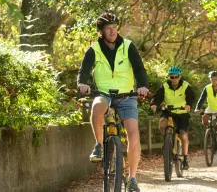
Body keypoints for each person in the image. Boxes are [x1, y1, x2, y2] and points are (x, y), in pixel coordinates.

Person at [77, 12, 148, 192]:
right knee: (96, 107)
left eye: (115, 28)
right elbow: (84, 69)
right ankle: (99, 145)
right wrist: (82, 83)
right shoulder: (94, 49)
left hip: (127, 95)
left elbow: (139, 68)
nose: (112, 31)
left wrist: (143, 86)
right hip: (104, 93)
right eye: (108, 28)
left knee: (133, 135)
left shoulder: (128, 46)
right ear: (101, 31)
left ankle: (132, 178)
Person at [151, 66, 196, 170]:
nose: (174, 79)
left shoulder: (185, 86)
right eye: (172, 77)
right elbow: (157, 96)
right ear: (169, 77)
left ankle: (185, 159)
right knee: (162, 123)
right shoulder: (165, 86)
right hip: (168, 111)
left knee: (183, 134)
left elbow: (191, 96)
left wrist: (189, 104)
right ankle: (167, 142)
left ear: (180, 76)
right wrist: (154, 104)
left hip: (182, 112)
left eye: (176, 77)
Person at [195, 71, 217, 141]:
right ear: (210, 79)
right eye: (212, 79)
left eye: (215, 79)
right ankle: (211, 131)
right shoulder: (207, 88)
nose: (214, 81)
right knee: (204, 119)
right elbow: (201, 99)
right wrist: (197, 108)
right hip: (211, 108)